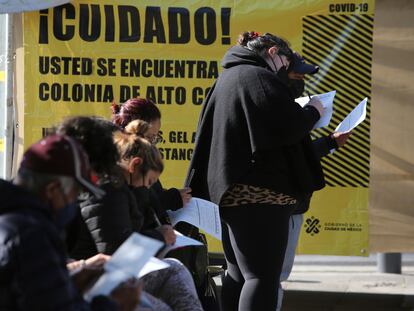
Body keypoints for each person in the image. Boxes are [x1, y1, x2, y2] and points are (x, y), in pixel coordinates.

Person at [186, 31, 326, 311]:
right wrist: (313, 111)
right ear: (273, 53)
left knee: (238, 275)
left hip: (232, 193)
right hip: (263, 194)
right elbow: (287, 127)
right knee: (261, 277)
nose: (287, 70)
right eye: (286, 61)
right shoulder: (258, 77)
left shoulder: (227, 79)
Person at [57, 117, 203, 311]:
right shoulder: (108, 188)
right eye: (148, 181)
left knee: (174, 270)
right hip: (95, 281)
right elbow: (115, 249)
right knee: (169, 284)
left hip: (97, 276)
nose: (146, 187)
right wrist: (159, 236)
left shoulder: (117, 186)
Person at [0, 134, 140, 310]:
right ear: (53, 190)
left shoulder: (15, 222)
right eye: (76, 193)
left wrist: (69, 280)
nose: (76, 201)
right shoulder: (31, 234)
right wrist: (117, 304)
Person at [276, 52, 352, 311]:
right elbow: (286, 154)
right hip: (282, 204)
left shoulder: (282, 104)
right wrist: (310, 114)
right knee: (270, 277)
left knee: (270, 276)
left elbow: (298, 152)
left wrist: (330, 143)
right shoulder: (278, 106)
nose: (301, 81)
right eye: (297, 74)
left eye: (303, 76)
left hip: (291, 204)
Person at [112, 97, 192, 212]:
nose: (152, 144)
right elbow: (132, 208)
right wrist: (169, 200)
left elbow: (149, 195)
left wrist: (170, 196)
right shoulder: (116, 163)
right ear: (133, 129)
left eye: (155, 138)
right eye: (150, 137)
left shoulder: (142, 158)